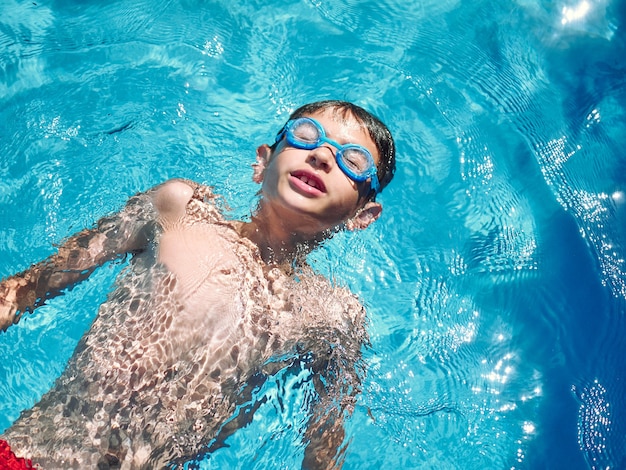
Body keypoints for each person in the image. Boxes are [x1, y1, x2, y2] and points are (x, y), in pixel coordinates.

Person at [0, 100, 396, 469]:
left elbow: (326, 437)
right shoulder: (179, 209)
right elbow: (28, 288)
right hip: (33, 456)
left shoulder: (333, 314)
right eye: (306, 136)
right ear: (262, 161)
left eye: (352, 160)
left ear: (363, 215)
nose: (323, 156)